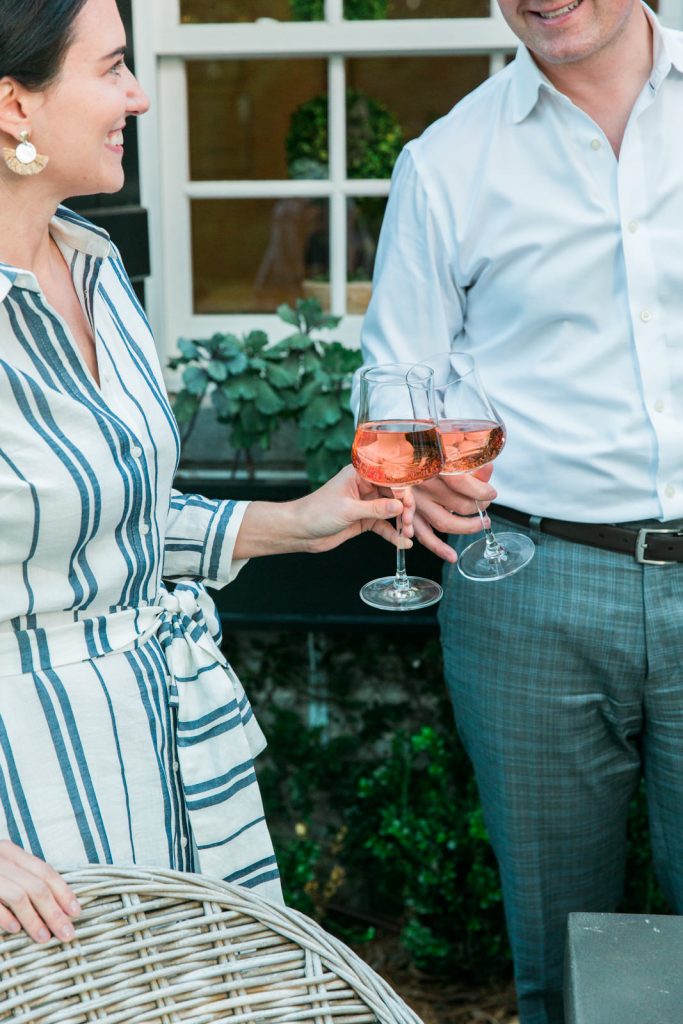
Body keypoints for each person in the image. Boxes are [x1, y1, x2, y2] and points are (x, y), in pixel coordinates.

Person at [0, 0, 416, 948]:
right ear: (14, 105)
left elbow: (110, 523)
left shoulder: (95, 266)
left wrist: (298, 521)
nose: (140, 98)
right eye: (111, 69)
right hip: (27, 801)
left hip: (166, 744)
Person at [359, 2, 683, 1022]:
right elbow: (392, 385)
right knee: (556, 960)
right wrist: (421, 466)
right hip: (527, 582)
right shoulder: (446, 160)